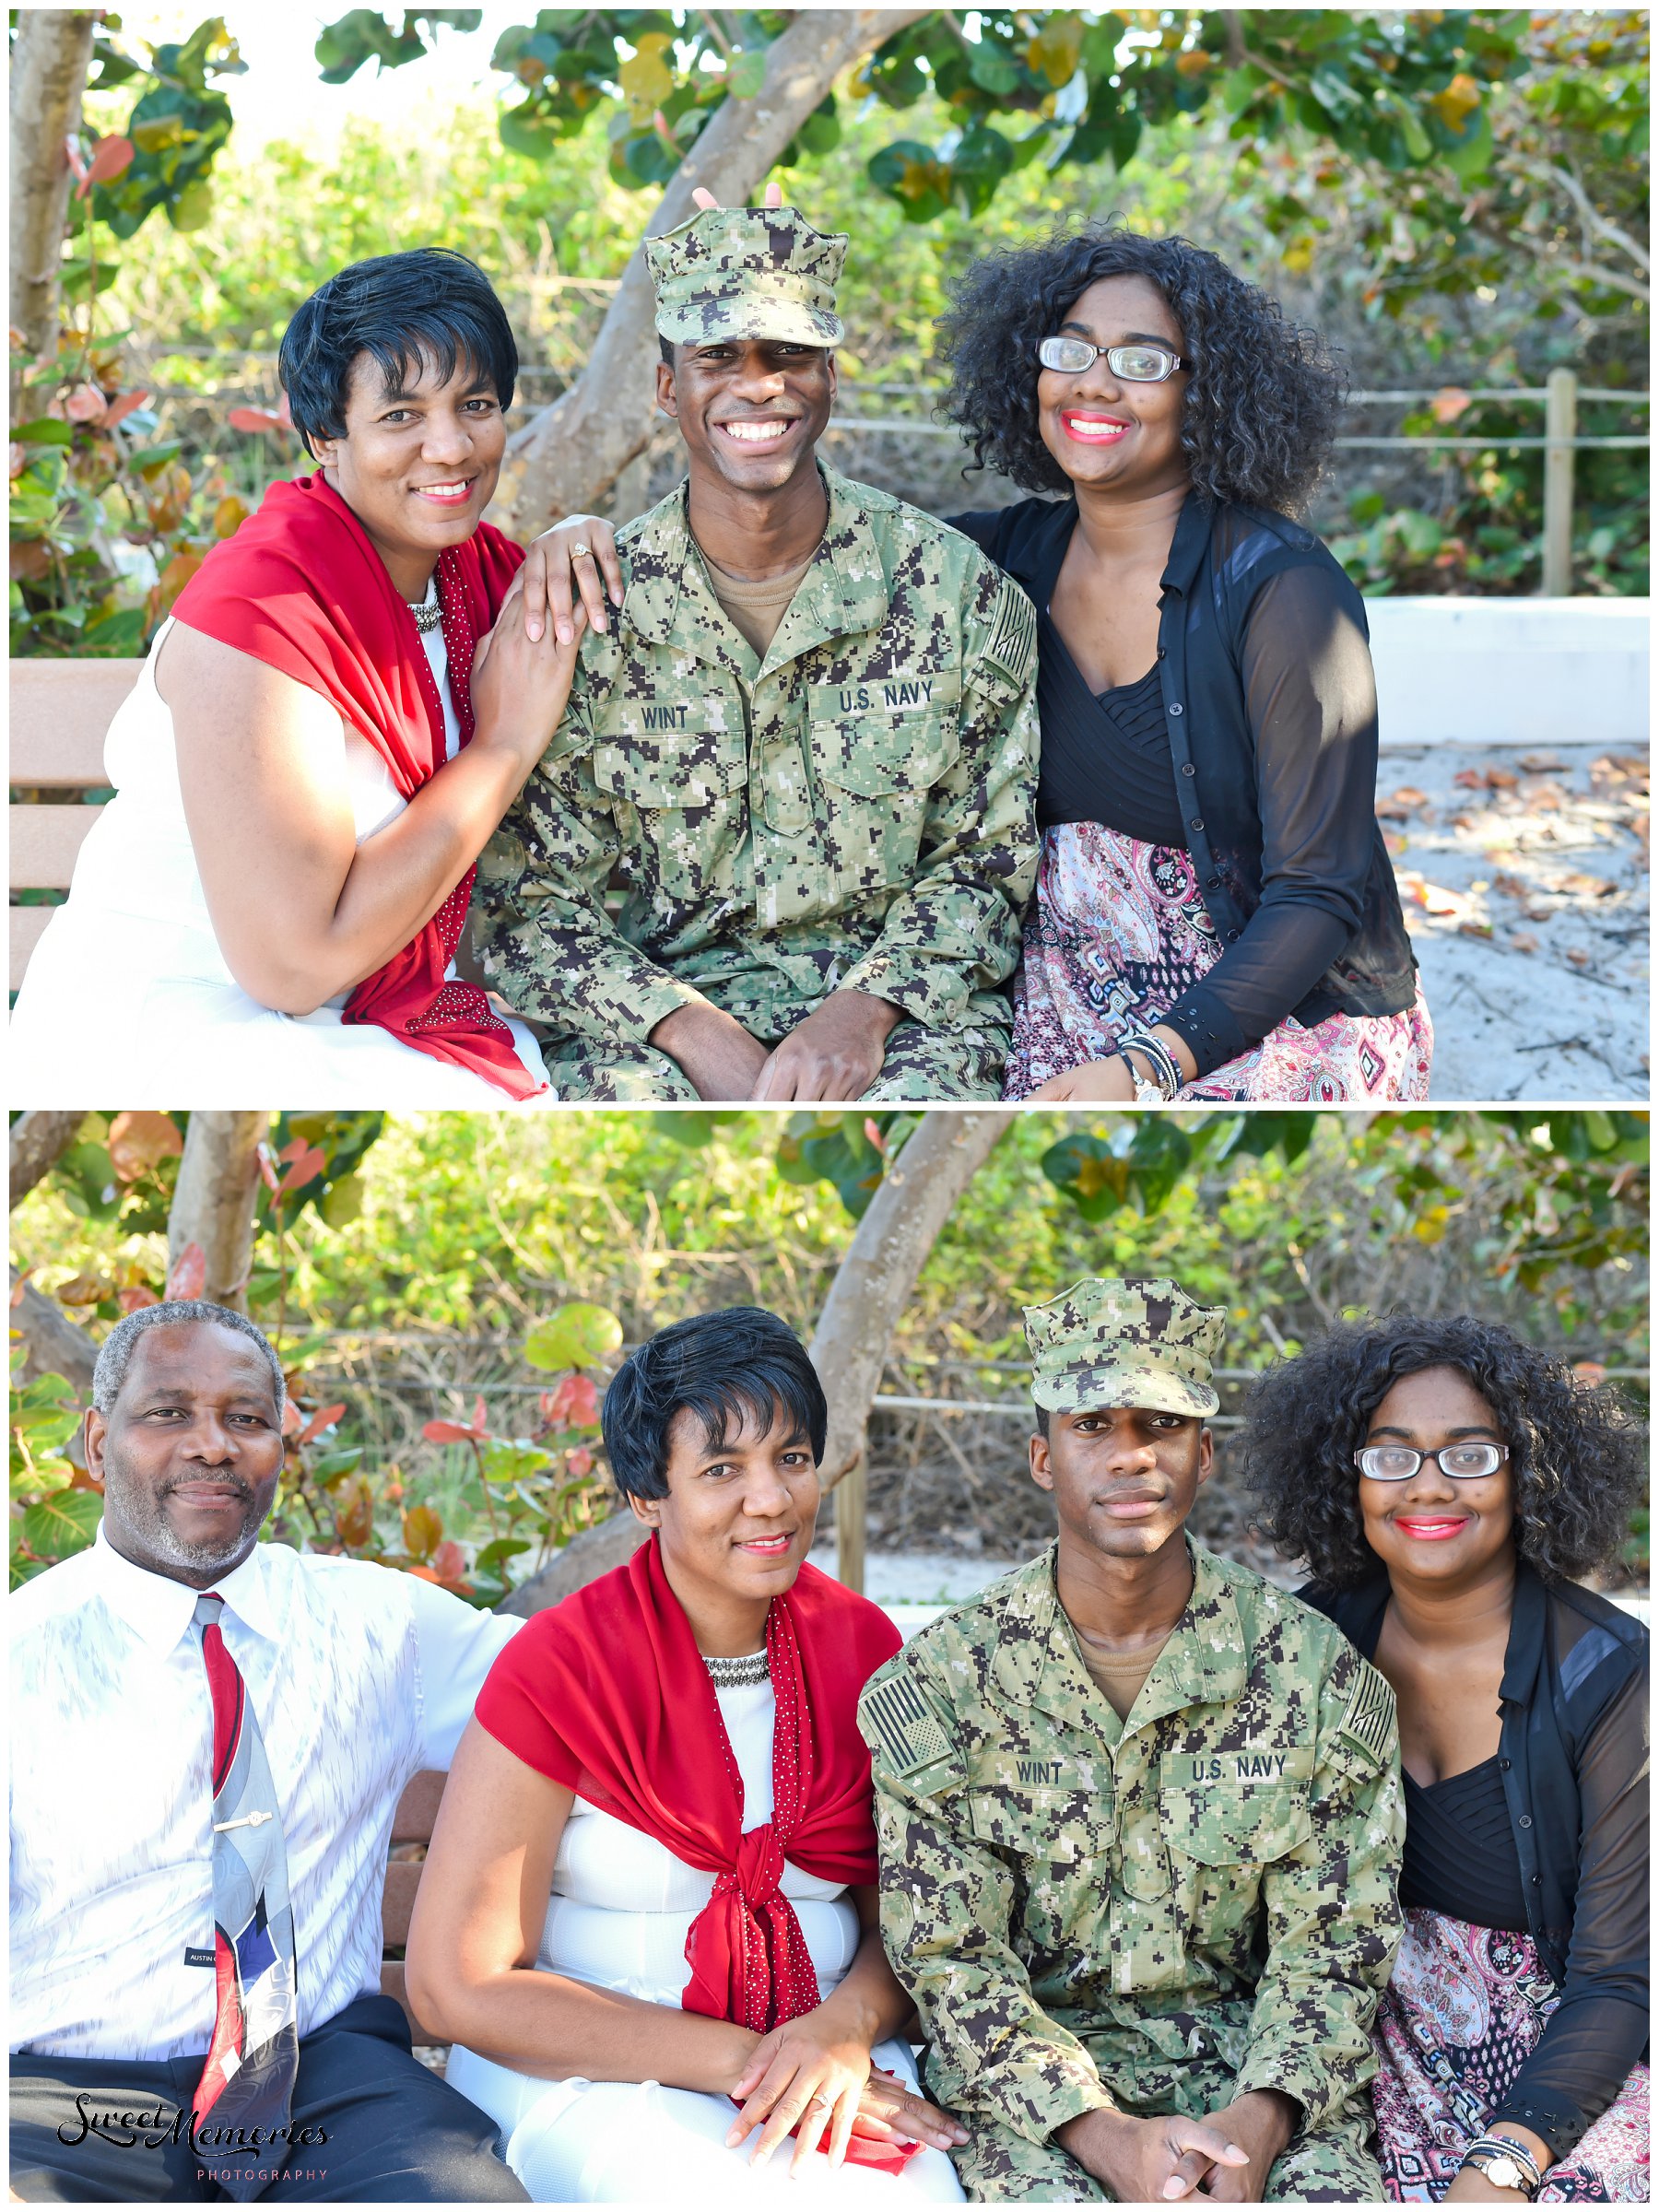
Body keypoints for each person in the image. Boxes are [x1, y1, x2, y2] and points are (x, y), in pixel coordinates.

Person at [474, 197, 1041, 1102]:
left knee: (904, 1122)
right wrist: (688, 1029)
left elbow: (987, 862)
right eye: (718, 358)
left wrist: (863, 1012)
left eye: (788, 355)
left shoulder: (953, 591)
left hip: (901, 1024)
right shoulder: (590, 613)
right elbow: (522, 896)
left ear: (829, 376)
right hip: (652, 1030)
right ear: (669, 389)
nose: (760, 385)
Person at [859, 1276, 1405, 2204]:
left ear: (1205, 1456)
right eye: (1092, 1427)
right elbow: (951, 1959)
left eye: (1160, 1427)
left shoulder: (1313, 1674)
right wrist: (1102, 2135)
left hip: (1264, 2087)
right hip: (1036, 2109)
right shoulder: (944, 1687)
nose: (1130, 1459)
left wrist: (1257, 2128)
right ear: (1042, 1457)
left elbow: (1339, 1944)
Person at [403, 1306, 968, 2201]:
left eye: (790, 1458)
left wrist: (845, 2030)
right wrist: (756, 2061)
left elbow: (913, 1920)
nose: (771, 1499)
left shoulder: (864, 1654)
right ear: (645, 1496)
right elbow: (457, 1987)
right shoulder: (565, 1669)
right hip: (590, 2075)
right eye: (720, 1469)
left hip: (828, 2056)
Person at [10, 247, 586, 1108]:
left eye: (476, 404)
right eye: (399, 414)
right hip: (189, 1029)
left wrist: (580, 533)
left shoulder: (479, 580)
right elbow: (290, 967)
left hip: (350, 1015)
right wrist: (502, 744)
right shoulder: (261, 614)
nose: (451, 445)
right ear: (324, 436)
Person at [9, 1300, 529, 2202]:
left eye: (246, 1417)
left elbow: (592, 1684)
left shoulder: (387, 1629)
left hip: (326, 2078)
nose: (213, 1444)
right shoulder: (18, 1657)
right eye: (168, 1413)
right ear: (96, 1445)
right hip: (69, 2096)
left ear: (280, 1449)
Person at [935, 224, 1433, 1103]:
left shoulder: (1286, 592)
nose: (1095, 381)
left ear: (1205, 393)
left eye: (1142, 360)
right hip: (1055, 983)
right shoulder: (999, 556)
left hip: (1269, 1006)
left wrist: (1148, 1066)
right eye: (1072, 350)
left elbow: (1319, 891)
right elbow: (803, 547)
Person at [1239, 1313, 1649, 2204]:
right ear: (1347, 1478)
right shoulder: (1308, 1638)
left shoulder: (1606, 1672)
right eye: (1391, 1456)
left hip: (1568, 2058)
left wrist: (1508, 2159)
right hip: (1352, 2038)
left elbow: (1618, 1975)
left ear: (1527, 1472)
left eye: (1470, 1455)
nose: (1428, 1489)